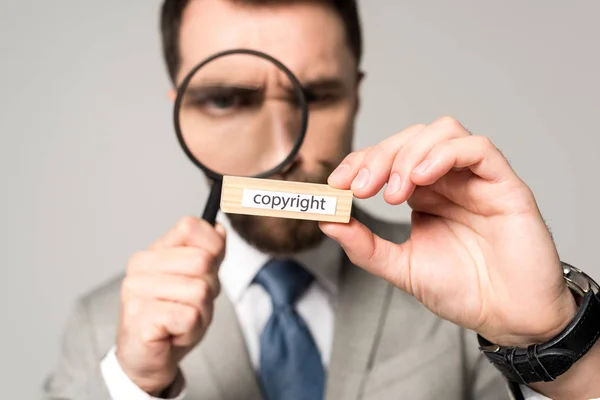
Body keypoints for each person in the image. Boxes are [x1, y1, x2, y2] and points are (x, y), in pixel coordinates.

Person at [43, 1, 600, 399]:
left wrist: (555, 337)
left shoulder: (465, 287)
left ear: (355, 95)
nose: (284, 148)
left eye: (315, 95)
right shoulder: (102, 328)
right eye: (227, 99)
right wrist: (132, 385)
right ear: (182, 110)